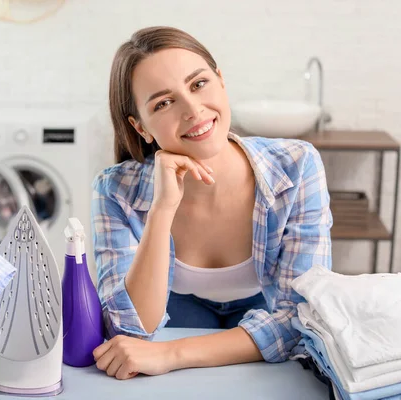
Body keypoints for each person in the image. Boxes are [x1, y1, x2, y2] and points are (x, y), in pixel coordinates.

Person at [90, 26, 333, 380]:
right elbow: (130, 330)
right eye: (163, 103)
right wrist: (161, 210)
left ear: (220, 80)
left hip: (263, 304)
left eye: (198, 84)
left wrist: (171, 353)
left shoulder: (297, 165)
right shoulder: (115, 189)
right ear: (140, 127)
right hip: (177, 305)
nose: (193, 110)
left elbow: (299, 319)